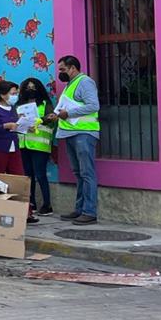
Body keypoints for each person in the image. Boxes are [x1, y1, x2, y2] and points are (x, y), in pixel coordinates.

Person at [51, 55, 100, 225]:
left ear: (72, 68)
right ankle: (80, 209)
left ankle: (89, 211)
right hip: (71, 133)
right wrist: (57, 115)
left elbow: (93, 106)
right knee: (79, 174)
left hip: (84, 133)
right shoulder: (69, 86)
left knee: (87, 173)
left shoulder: (85, 82)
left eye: (63, 69)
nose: (61, 73)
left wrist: (68, 114)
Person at [17, 77, 55, 216]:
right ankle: (30, 203)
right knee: (28, 175)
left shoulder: (45, 104)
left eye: (33, 87)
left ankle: (47, 205)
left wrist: (40, 121)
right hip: (24, 144)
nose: (30, 90)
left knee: (40, 175)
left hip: (40, 145)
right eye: (27, 88)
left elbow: (51, 120)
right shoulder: (19, 105)